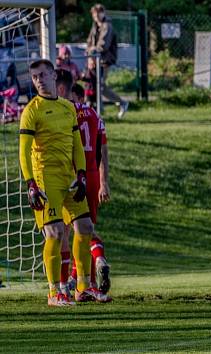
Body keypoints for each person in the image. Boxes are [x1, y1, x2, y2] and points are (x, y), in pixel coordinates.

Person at [18, 60, 108, 306]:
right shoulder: (31, 111)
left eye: (42, 75)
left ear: (53, 75)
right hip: (45, 179)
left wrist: (80, 174)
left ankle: (83, 287)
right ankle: (54, 291)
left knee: (85, 227)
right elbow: (24, 152)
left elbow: (77, 145)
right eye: (34, 77)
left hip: (69, 177)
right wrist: (30, 184)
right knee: (56, 233)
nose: (38, 80)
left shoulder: (68, 108)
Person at [54, 70, 112, 301]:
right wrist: (104, 181)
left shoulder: (62, 114)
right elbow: (103, 150)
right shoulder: (95, 115)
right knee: (84, 230)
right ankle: (83, 281)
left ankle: (64, 285)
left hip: (70, 175)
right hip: (92, 176)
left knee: (64, 232)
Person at [86, 3, 128, 119]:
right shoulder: (95, 26)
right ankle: (98, 112)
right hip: (95, 60)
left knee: (101, 87)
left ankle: (122, 102)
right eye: (94, 14)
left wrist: (92, 53)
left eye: (98, 13)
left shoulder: (107, 26)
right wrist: (90, 57)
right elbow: (89, 42)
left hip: (105, 60)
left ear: (103, 13)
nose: (97, 16)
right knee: (94, 85)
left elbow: (103, 45)